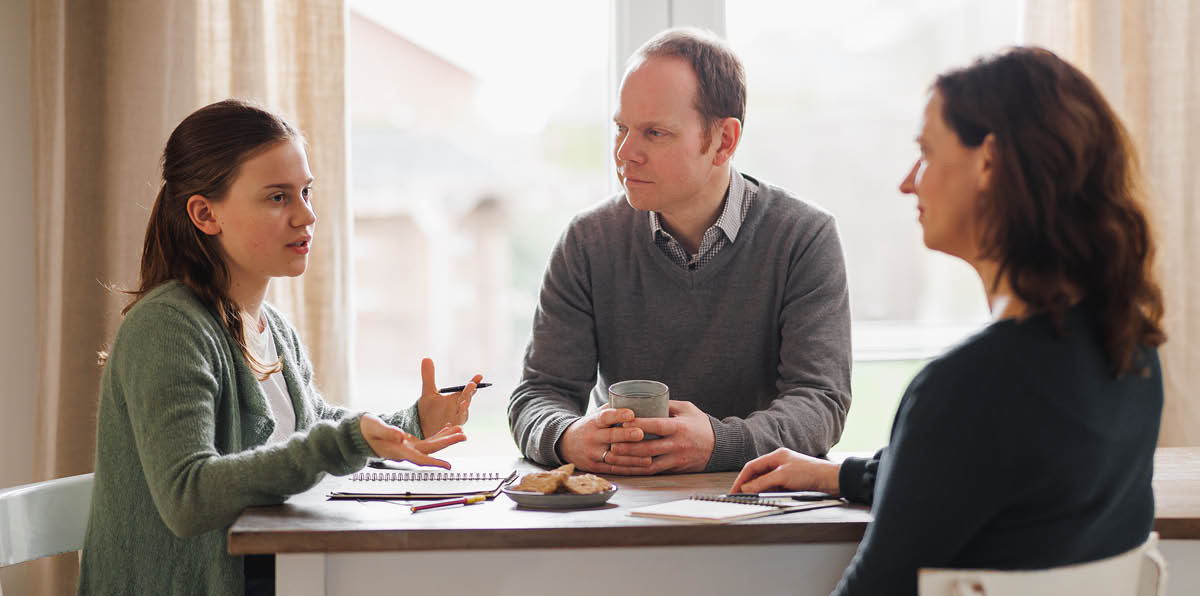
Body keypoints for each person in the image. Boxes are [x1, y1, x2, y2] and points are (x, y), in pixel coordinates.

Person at [730, 47, 1165, 596]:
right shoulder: (1129, 351)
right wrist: (838, 474)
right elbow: (988, 475)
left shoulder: (967, 389)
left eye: (926, 153)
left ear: (989, 163)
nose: (909, 182)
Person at [78, 99, 483, 596]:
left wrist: (411, 423)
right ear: (205, 214)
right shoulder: (168, 327)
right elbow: (188, 498)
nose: (307, 215)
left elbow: (313, 427)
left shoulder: (273, 329)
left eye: (306, 192)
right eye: (277, 197)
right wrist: (348, 441)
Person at [508, 28, 852, 475]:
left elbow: (820, 403)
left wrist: (722, 443)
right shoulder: (588, 240)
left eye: (655, 133)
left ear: (724, 141)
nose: (625, 152)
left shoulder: (803, 237)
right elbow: (538, 395)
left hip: (756, 510)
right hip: (619, 510)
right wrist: (568, 436)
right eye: (621, 128)